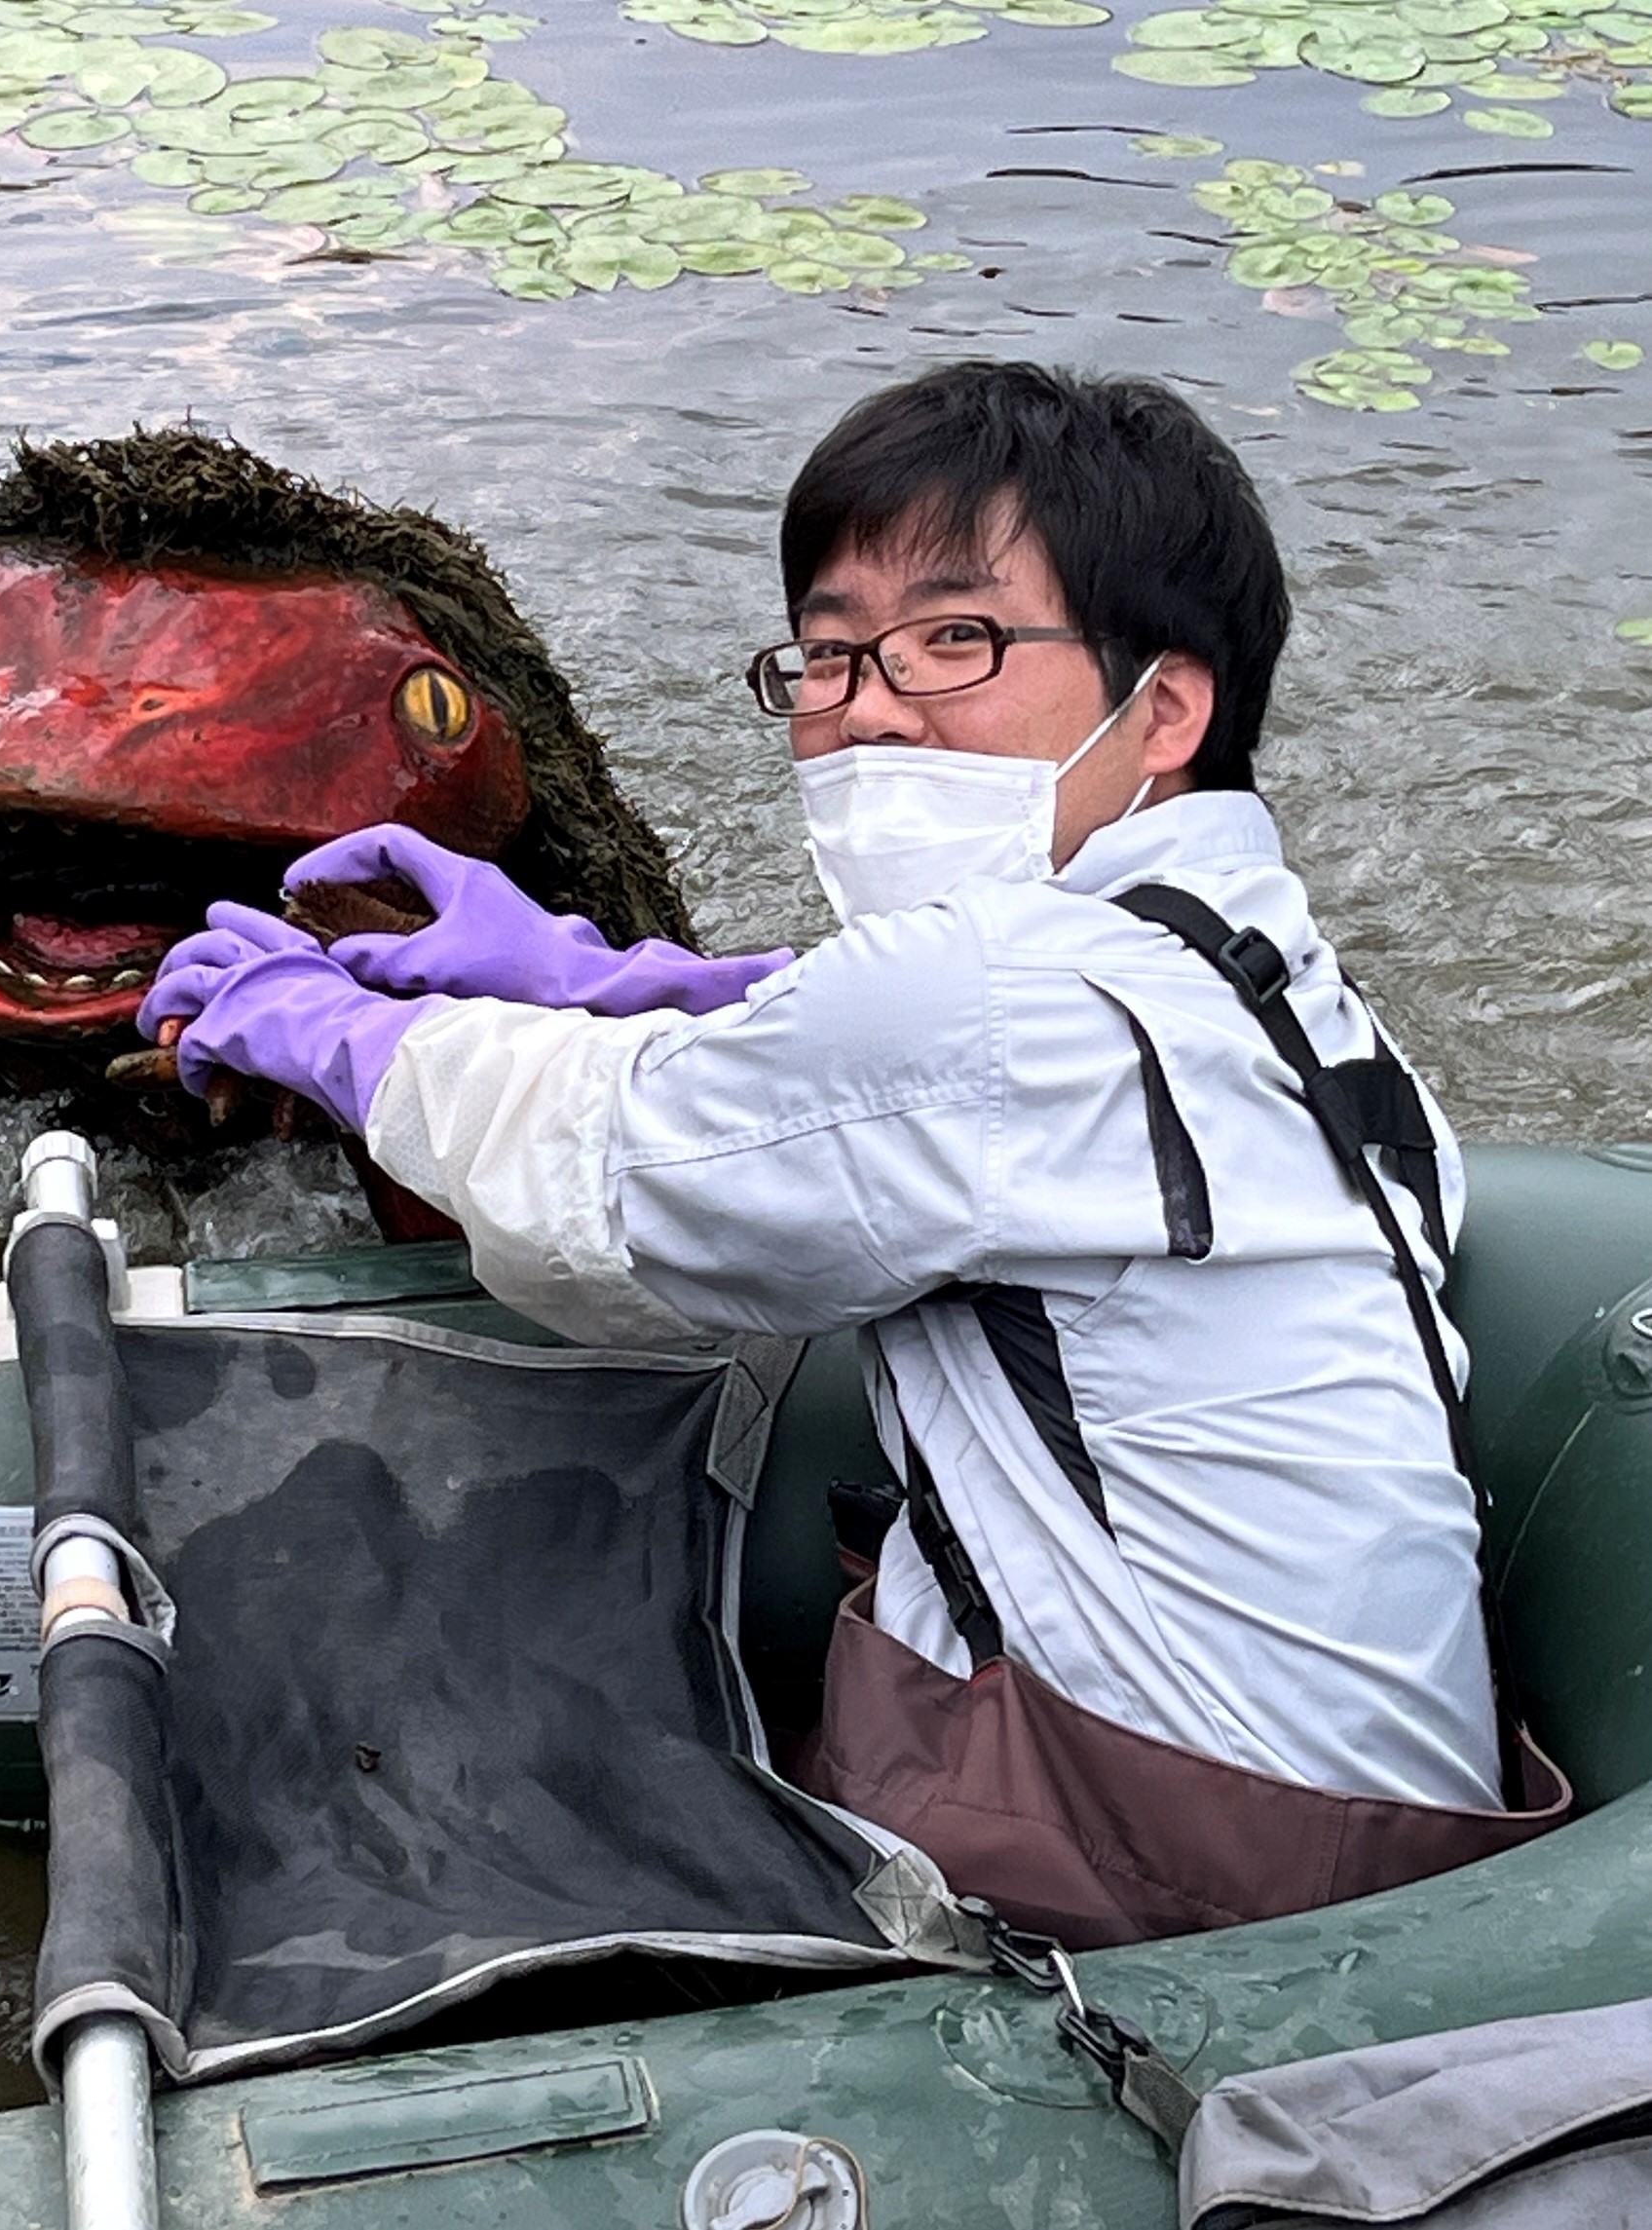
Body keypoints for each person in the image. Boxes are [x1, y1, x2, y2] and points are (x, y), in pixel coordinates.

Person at [137, 361, 1565, 1945]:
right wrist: (616, 979)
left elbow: (605, 1177)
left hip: (1182, 1875)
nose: (870, 701)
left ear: (1164, 703)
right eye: (827, 654)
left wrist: (331, 1032)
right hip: (1376, 1823)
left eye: (956, 639)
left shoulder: (1000, 1004)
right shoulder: (1265, 961)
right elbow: (901, 1055)